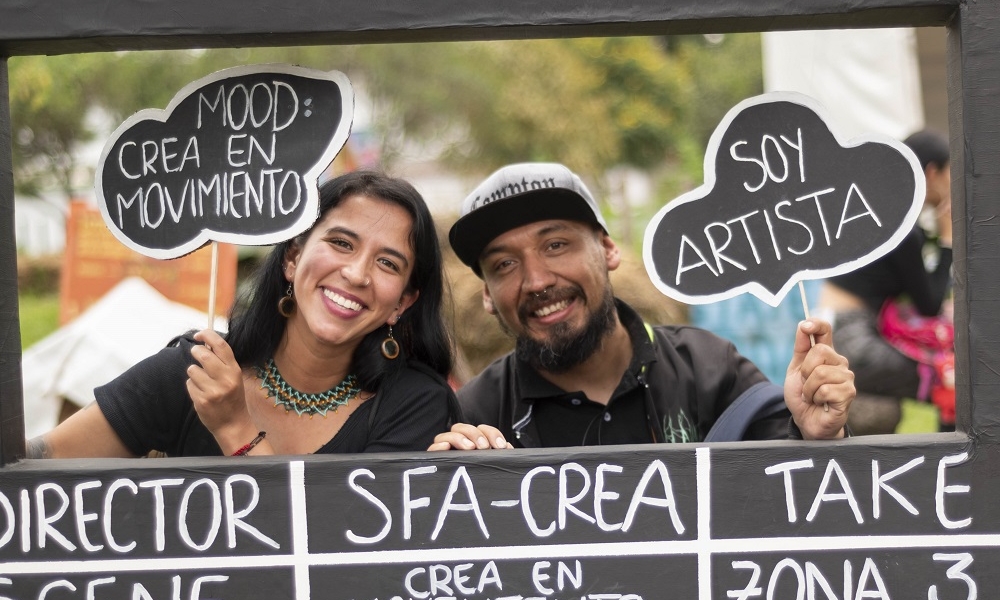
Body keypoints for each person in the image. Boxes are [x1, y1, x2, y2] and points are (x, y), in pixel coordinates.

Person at [29, 170, 456, 458]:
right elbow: (34, 468)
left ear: (402, 302)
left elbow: (329, 561)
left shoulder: (417, 406)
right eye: (342, 243)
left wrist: (235, 428)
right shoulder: (197, 370)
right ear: (293, 257)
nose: (357, 273)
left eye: (388, 263)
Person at [430, 162, 854, 451]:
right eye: (504, 264)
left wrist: (815, 435)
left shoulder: (708, 369)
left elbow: (798, 517)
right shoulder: (474, 417)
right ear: (486, 294)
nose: (537, 280)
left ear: (609, 249)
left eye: (556, 245)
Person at [820, 129, 953, 434]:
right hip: (852, 338)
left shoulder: (880, 211)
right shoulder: (902, 229)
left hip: (838, 329)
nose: (951, 185)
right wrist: (947, 239)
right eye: (949, 175)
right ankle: (958, 464)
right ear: (931, 173)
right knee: (951, 378)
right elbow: (929, 304)